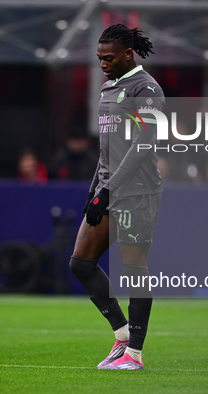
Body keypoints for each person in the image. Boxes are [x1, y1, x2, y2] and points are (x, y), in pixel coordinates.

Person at [69, 24, 163, 370]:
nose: (103, 64)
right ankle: (121, 336)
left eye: (108, 58)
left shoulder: (147, 89)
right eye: (98, 58)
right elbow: (107, 150)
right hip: (109, 190)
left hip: (138, 192)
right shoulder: (108, 89)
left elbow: (143, 145)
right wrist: (95, 189)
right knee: (80, 262)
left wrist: (107, 190)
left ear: (128, 54)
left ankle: (135, 355)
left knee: (135, 270)